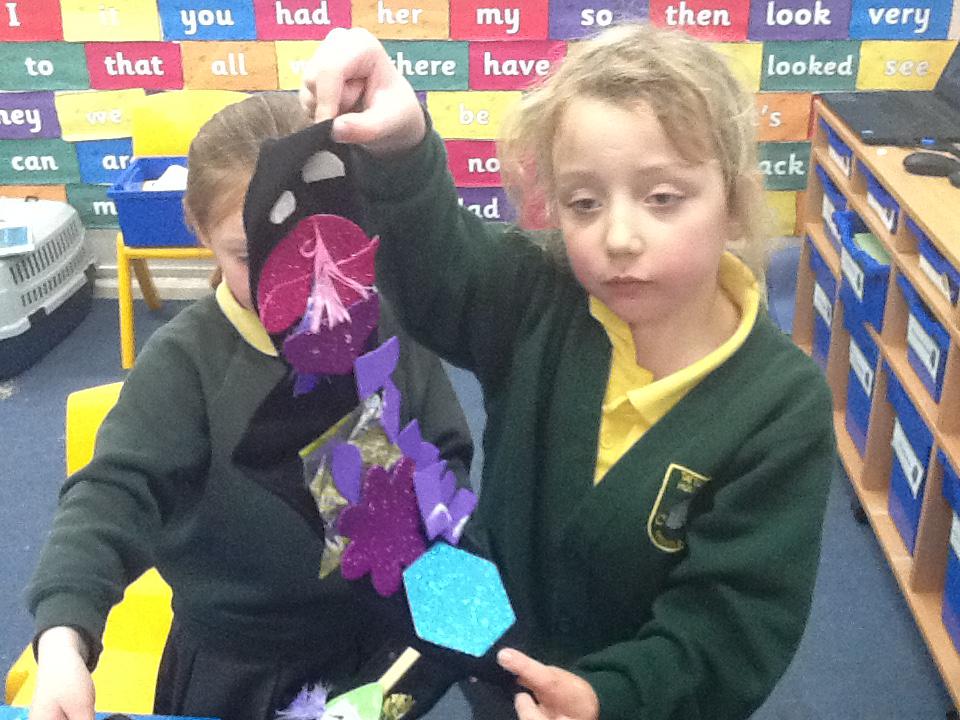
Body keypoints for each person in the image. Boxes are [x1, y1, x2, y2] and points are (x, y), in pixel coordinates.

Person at [299, 23, 837, 720]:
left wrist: (607, 697)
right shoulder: (541, 297)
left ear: (734, 202)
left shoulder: (779, 406)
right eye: (584, 203)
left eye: (663, 198)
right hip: (497, 659)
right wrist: (400, 147)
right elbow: (439, 267)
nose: (619, 237)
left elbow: (731, 625)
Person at [26, 92, 474, 720]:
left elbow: (447, 457)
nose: (291, 280)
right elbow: (112, 495)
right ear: (200, 232)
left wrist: (439, 566)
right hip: (239, 669)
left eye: (314, 245)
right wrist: (63, 640)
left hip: (379, 651)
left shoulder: (387, 330)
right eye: (248, 253)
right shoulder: (186, 363)